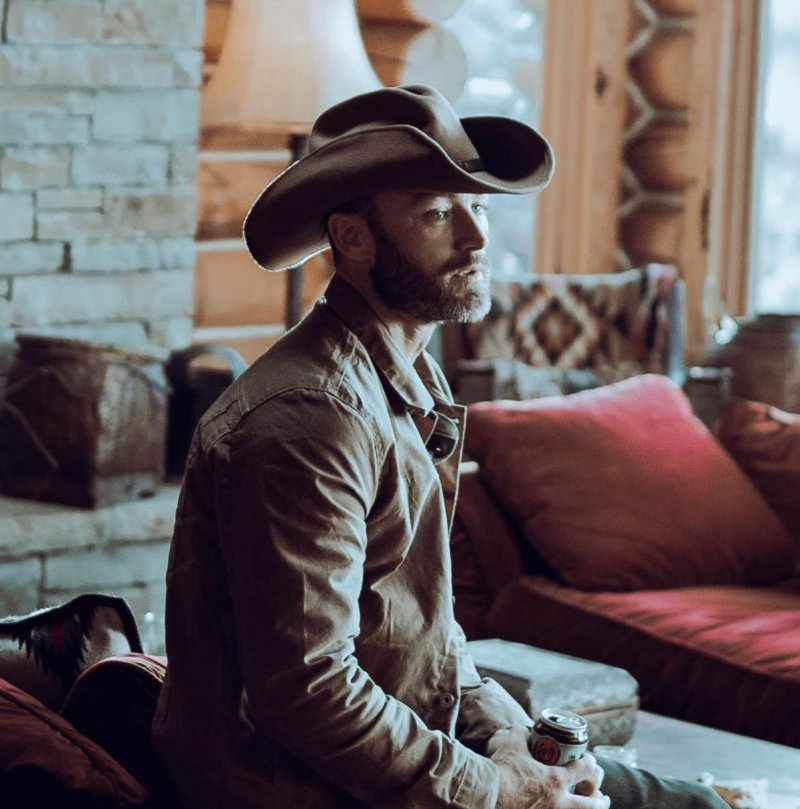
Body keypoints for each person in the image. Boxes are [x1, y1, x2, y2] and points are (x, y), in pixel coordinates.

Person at [151, 84, 727, 809]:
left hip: (403, 759)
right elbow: (307, 688)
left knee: (691, 803)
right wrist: (495, 788)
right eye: (436, 212)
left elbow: (422, 629)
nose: (476, 238)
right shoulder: (311, 416)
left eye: (478, 207)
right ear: (352, 238)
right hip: (299, 789)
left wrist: (509, 737)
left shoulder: (407, 375)